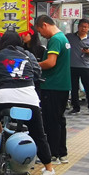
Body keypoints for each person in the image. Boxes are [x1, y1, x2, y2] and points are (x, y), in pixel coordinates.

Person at [0, 31, 56, 175]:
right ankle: (49, 168)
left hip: (4, 98)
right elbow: (37, 73)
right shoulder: (29, 56)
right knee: (39, 134)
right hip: (29, 99)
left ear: (2, 43)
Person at [34, 15, 71, 165]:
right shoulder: (63, 38)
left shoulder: (55, 39)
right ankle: (62, 153)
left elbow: (50, 62)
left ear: (44, 25)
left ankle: (52, 155)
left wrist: (34, 64)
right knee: (59, 120)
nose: (41, 35)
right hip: (62, 85)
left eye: (40, 31)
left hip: (52, 85)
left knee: (51, 122)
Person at [66, 19, 89, 114]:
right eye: (82, 26)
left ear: (88, 28)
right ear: (78, 27)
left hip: (85, 66)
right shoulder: (69, 37)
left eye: (86, 27)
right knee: (74, 88)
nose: (83, 29)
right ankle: (76, 107)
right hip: (72, 66)